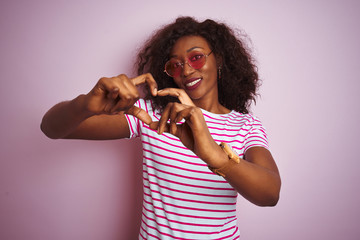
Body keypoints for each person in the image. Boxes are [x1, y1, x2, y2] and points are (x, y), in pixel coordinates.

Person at [41, 16, 281, 239]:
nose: (186, 70)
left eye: (195, 57)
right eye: (175, 66)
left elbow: (270, 194)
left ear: (218, 58)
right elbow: (51, 128)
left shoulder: (245, 125)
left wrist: (213, 154)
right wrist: (86, 104)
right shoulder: (153, 116)